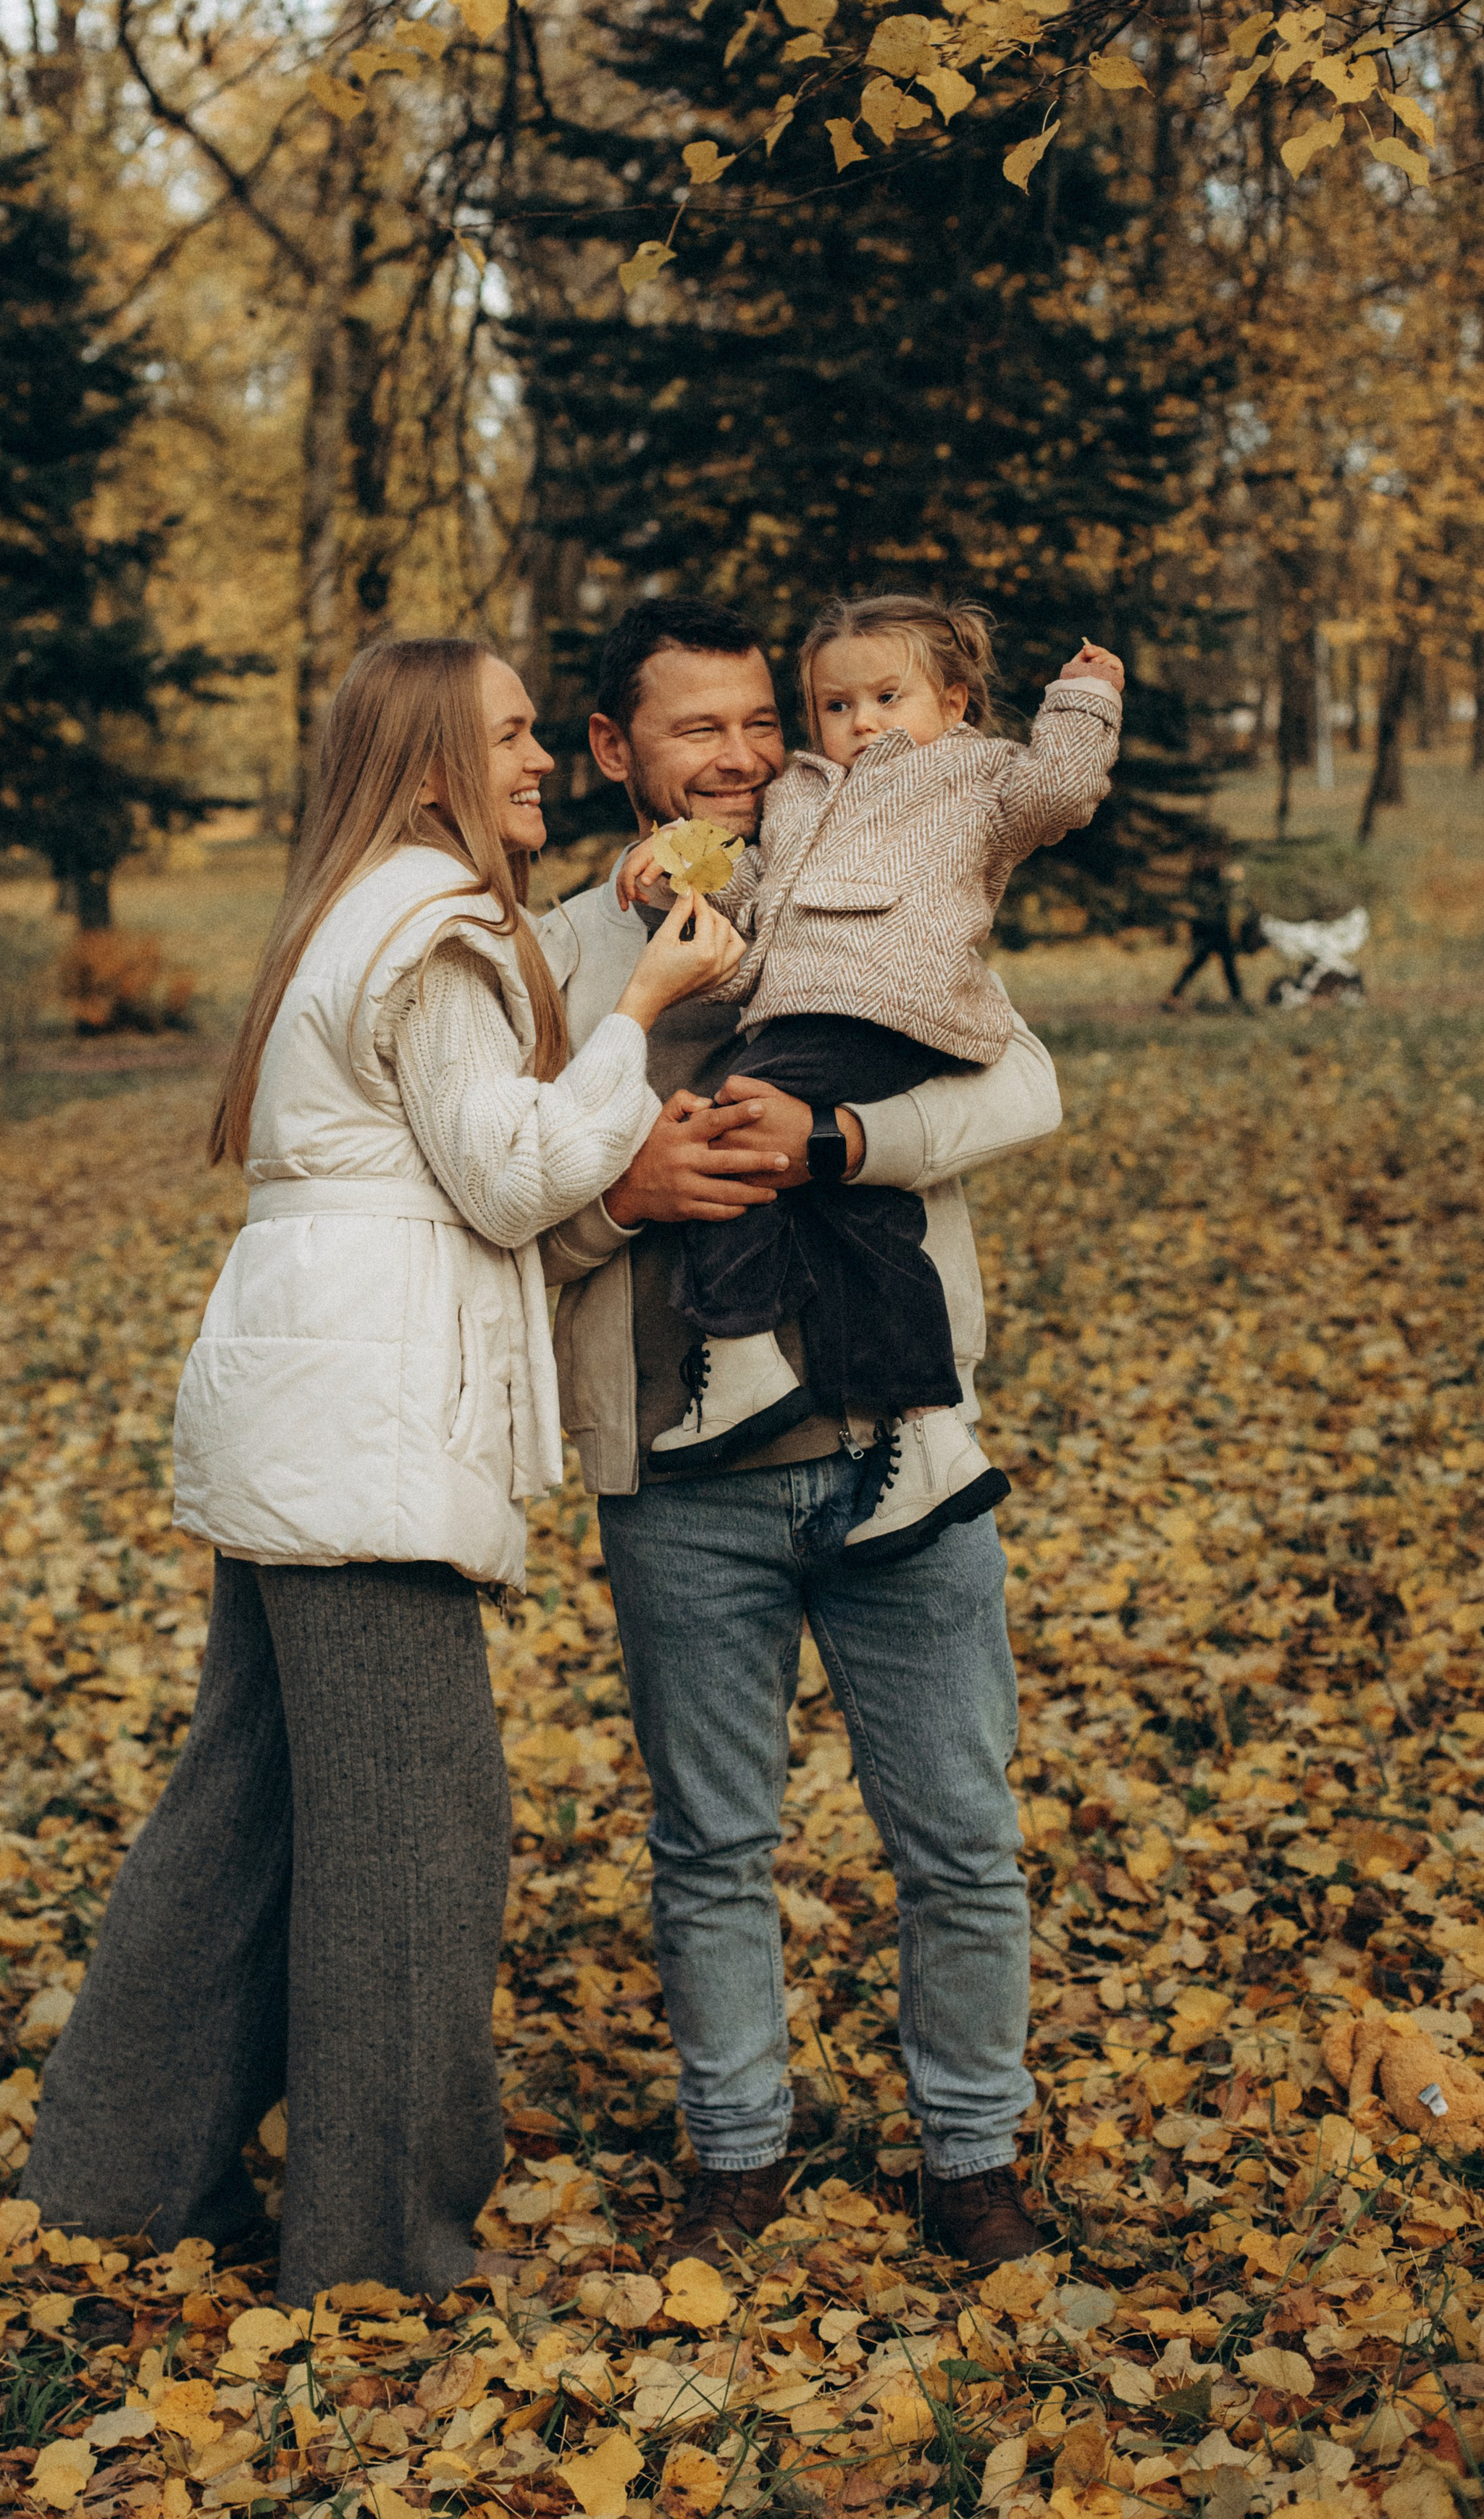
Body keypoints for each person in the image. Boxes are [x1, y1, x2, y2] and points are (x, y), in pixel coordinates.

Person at [20, 634, 746, 2305]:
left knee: (246, 1805)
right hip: (361, 1421)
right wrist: (637, 1013)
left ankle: (113, 2186)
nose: (538, 761)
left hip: (300, 1395)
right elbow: (509, 1175)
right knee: (423, 1833)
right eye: (509, 735)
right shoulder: (436, 924)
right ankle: (377, 2255)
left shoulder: (354, 908)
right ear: (428, 762)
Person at [537, 598, 1065, 2273]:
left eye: (761, 720)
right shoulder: (556, 955)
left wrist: (834, 1139)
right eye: (697, 727)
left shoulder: (876, 878)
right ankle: (735, 2155)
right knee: (710, 1844)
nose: (743, 754)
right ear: (613, 750)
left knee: (959, 1839)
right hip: (678, 1478)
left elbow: (1021, 1090)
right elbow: (489, 1218)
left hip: (904, 1448)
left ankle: (971, 2159)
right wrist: (621, 1197)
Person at [622, 594, 1121, 1564]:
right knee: (864, 1221)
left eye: (889, 698)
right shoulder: (798, 796)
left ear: (955, 701)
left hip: (884, 1005)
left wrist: (1083, 700)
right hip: (798, 1004)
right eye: (835, 706)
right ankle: (928, 1436)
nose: (861, 725)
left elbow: (1060, 795)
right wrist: (680, 857)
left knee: (730, 1129)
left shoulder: (974, 773)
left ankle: (742, 1353)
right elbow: (752, 904)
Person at [1162, 854, 1254, 1012]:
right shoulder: (1202, 884)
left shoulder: (1213, 881)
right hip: (1208, 928)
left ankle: (1237, 998)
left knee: (1223, 964)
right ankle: (1174, 995)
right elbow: (1208, 902)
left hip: (1217, 928)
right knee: (1204, 963)